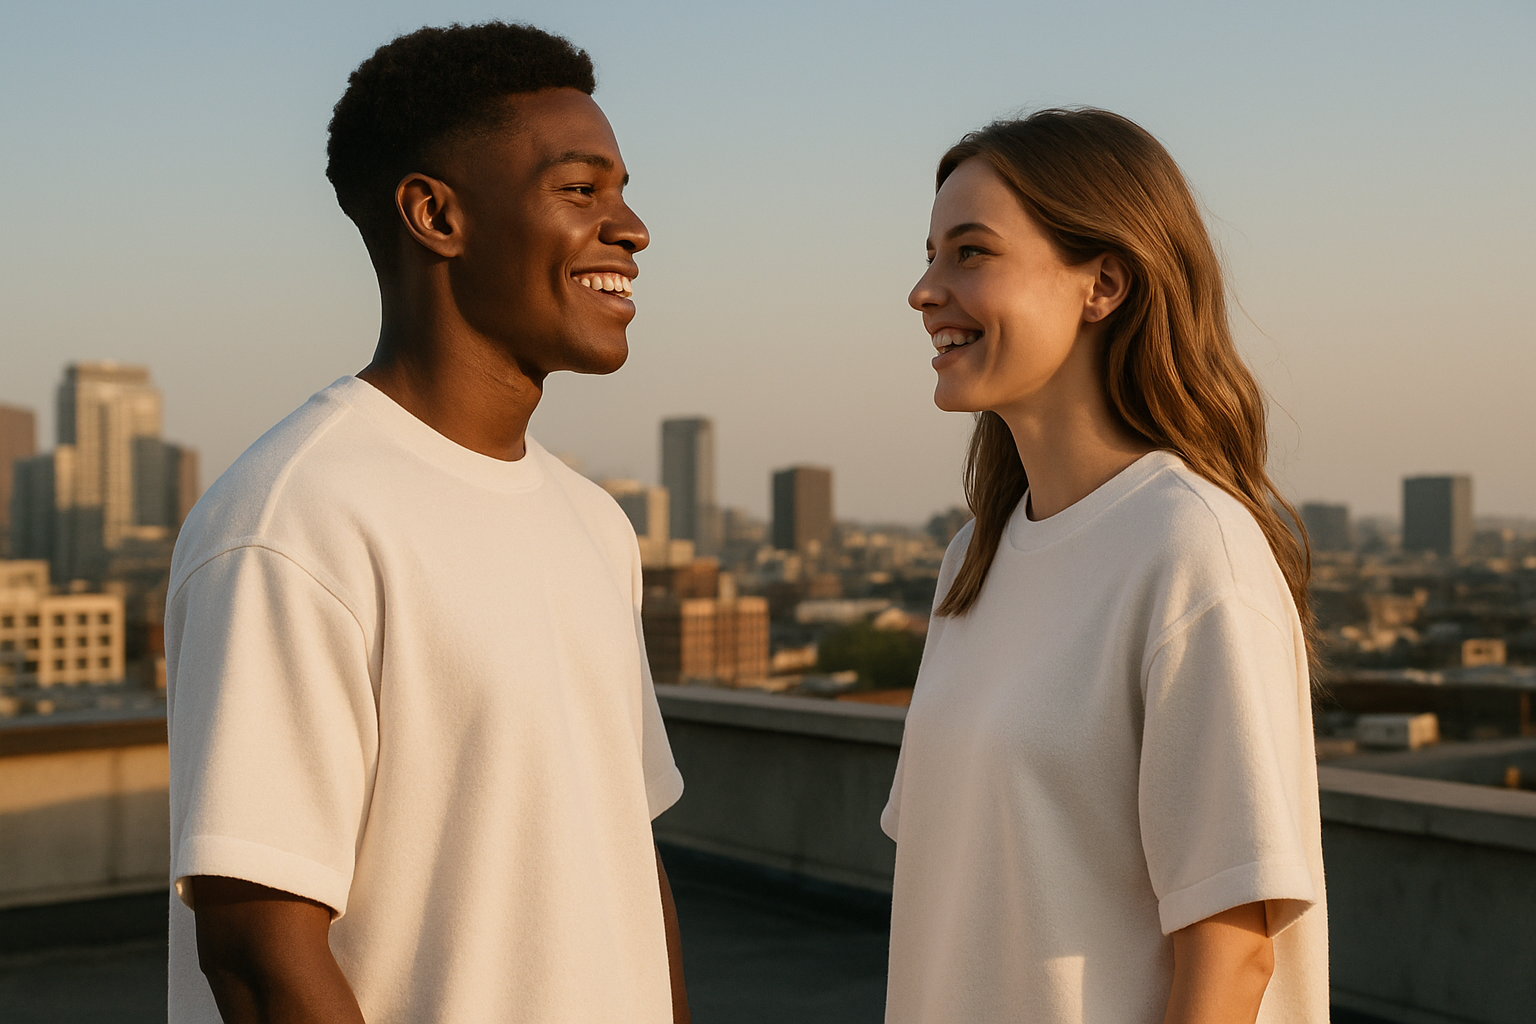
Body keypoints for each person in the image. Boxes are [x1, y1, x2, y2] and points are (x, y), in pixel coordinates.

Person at [165, 22, 690, 1024]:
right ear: (435, 214)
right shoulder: (295, 519)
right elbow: (258, 955)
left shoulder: (593, 524)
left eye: (620, 190)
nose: (632, 228)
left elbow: (630, 857)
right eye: (582, 189)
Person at [881, 109, 1327, 1024]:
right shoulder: (975, 559)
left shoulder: (1191, 549)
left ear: (1104, 284)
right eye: (931, 254)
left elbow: (1232, 956)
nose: (924, 290)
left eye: (970, 253)